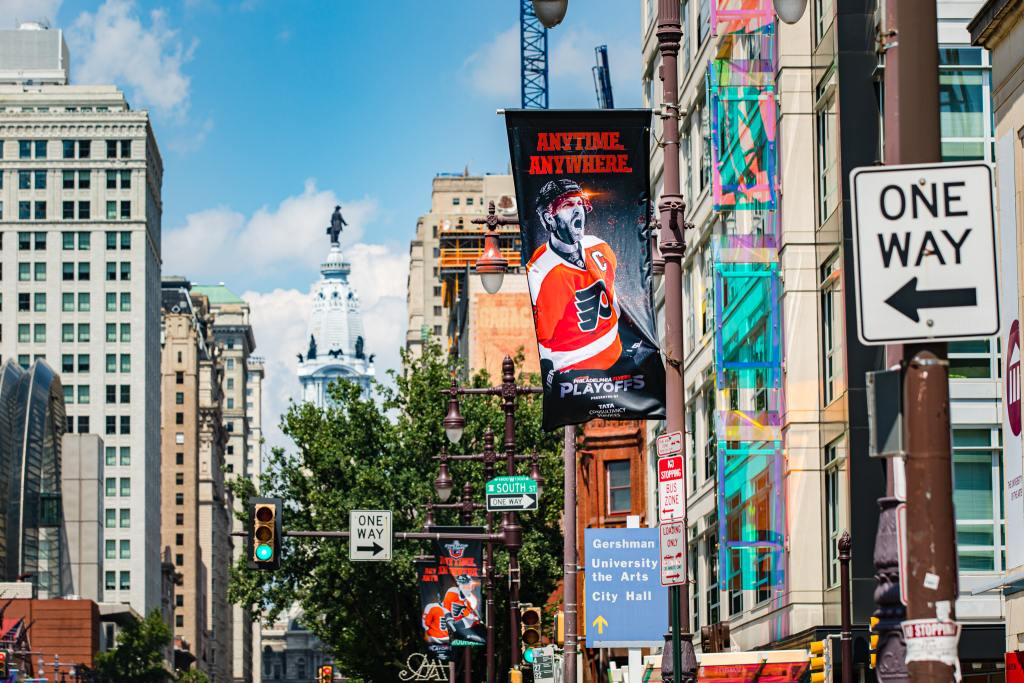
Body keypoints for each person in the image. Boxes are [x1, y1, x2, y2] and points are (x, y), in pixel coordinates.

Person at [527, 178, 622, 374]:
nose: (578, 209)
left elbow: (615, 300)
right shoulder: (541, 269)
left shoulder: (599, 246)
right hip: (576, 376)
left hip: (619, 363)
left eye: (580, 203)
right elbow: (544, 339)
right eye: (568, 204)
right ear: (549, 218)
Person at [442, 574, 486, 644]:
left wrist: (476, 619)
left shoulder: (472, 600)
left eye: (468, 584)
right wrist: (449, 618)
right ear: (459, 585)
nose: (467, 587)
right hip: (450, 623)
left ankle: (468, 636)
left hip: (463, 625)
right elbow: (446, 606)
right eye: (464, 585)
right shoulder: (452, 592)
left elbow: (468, 615)